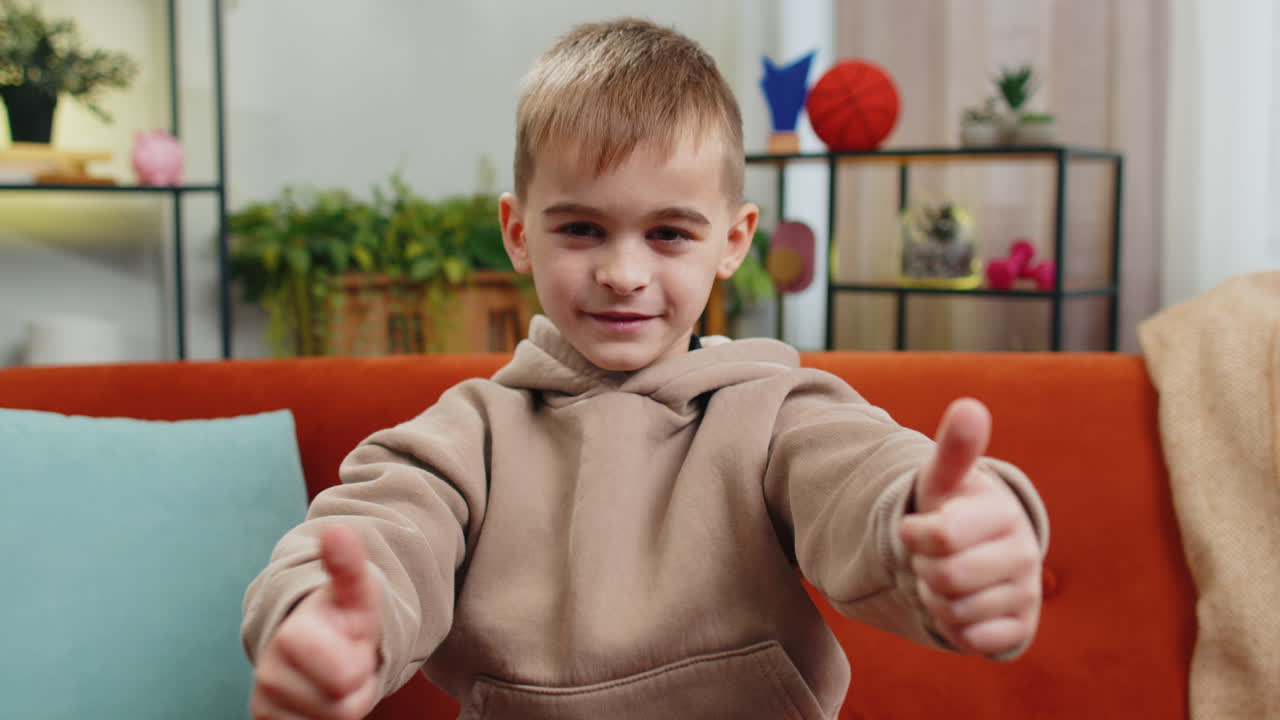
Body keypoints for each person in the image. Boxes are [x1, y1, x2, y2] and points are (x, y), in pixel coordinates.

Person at [242, 18, 1048, 720]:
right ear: (519, 234)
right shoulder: (468, 434)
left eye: (668, 234)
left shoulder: (778, 413)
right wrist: (330, 616)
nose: (623, 274)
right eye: (582, 229)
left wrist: (944, 526)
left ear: (733, 241)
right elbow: (382, 531)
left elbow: (866, 478)